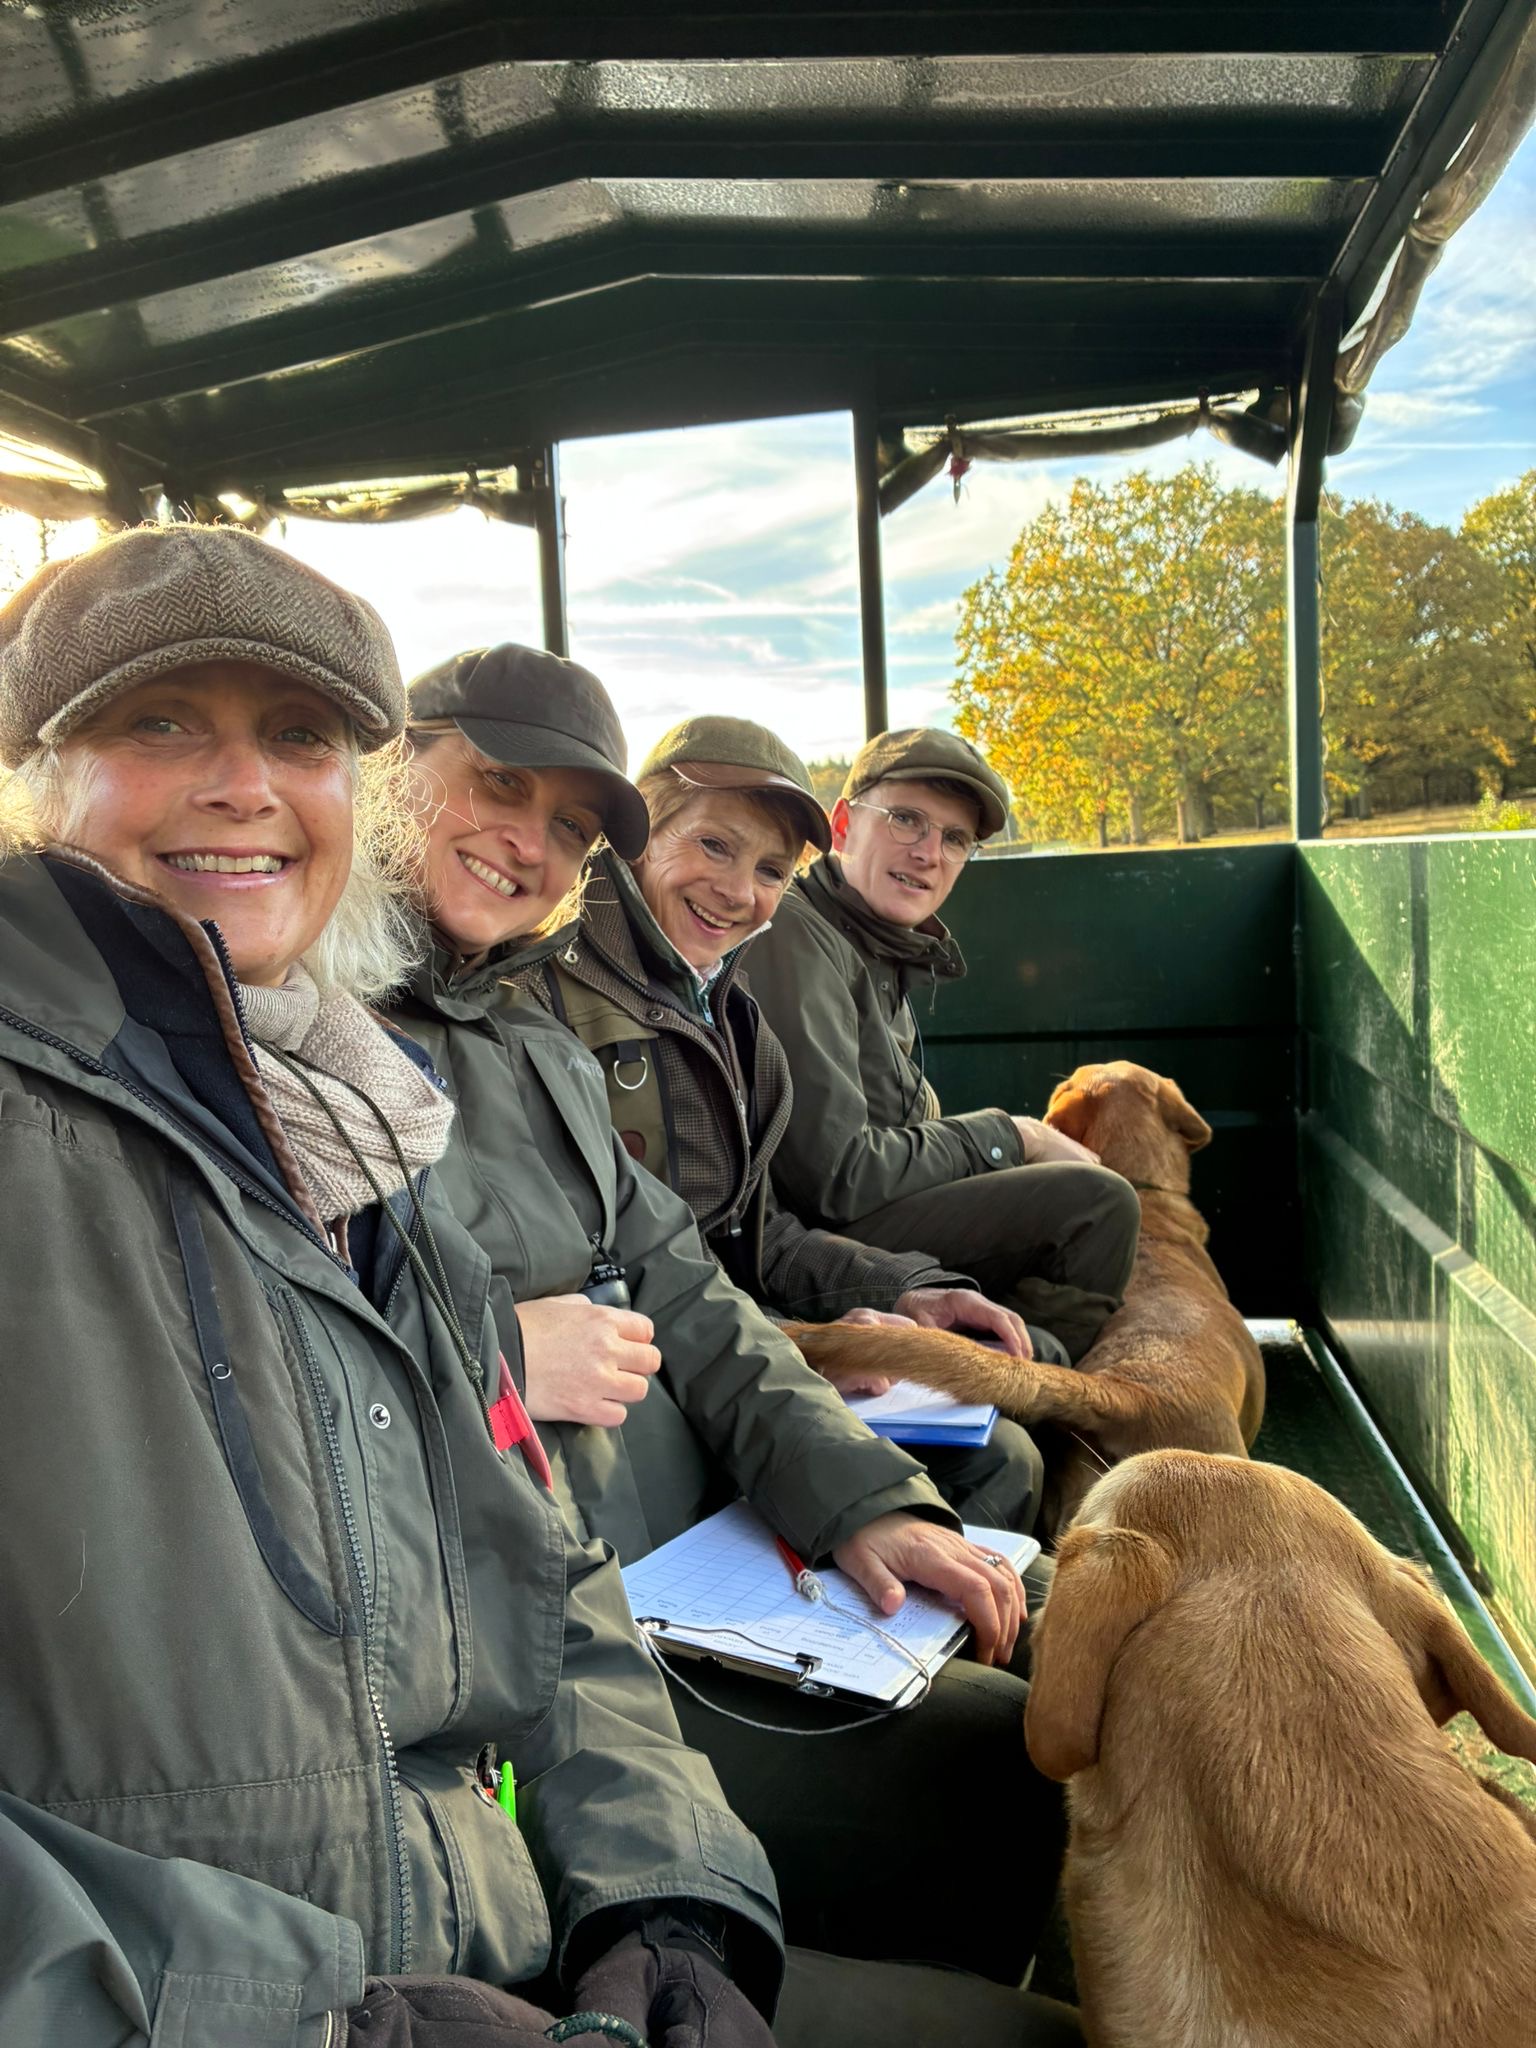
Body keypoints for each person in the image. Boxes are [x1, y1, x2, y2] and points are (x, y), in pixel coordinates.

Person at [0, 532, 1082, 2048]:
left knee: (1012, 1758)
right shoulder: (287, 1091)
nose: (244, 786)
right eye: (162, 721)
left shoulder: (376, 1102)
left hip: (516, 1784)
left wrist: (668, 1902)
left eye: (298, 736)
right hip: (349, 1916)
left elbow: (654, 1348)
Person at [384, 646, 1073, 2002]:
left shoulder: (524, 1037)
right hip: (551, 1641)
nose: (529, 844)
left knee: (1037, 1617)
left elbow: (694, 1281)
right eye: (498, 787)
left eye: (566, 824)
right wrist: (495, 1352)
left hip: (677, 1554)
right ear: (391, 773)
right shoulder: (324, 1045)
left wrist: (860, 1496)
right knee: (1006, 1765)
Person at [514, 708, 1051, 1525]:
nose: (738, 893)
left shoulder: (727, 1014)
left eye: (771, 869)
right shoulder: (548, 1000)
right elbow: (630, 1276)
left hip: (730, 1352)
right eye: (713, 845)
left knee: (1002, 1435)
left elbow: (757, 1235)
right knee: (994, 1460)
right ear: (640, 833)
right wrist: (805, 1343)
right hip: (640, 1405)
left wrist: (907, 1291)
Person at [746, 729, 1142, 1364]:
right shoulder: (795, 935)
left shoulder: (879, 946)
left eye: (955, 838)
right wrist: (1011, 1135)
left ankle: (1012, 1356)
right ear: (842, 825)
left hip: (869, 1218)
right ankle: (1033, 1380)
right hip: (812, 1248)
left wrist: (1006, 1153)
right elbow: (836, 1180)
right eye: (906, 820)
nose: (929, 853)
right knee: (1097, 1206)